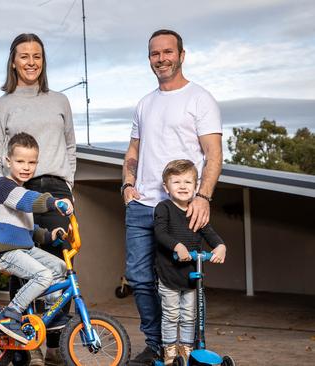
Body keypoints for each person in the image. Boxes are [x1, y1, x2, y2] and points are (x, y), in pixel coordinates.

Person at [121, 29, 223, 365]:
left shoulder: (200, 98)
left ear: (181, 54)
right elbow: (134, 148)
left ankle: (188, 348)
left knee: (182, 278)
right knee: (139, 277)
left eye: (167, 52)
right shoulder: (145, 103)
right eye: (154, 54)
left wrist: (203, 197)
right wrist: (126, 184)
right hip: (142, 206)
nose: (161, 59)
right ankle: (157, 345)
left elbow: (213, 152)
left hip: (181, 209)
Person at [0, 32, 76, 365]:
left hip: (56, 190)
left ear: (43, 61)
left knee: (59, 265)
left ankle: (55, 345)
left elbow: (70, 148)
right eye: (24, 56)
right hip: (17, 189)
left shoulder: (60, 101)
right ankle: (17, 340)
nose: (31, 62)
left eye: (37, 56)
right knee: (23, 260)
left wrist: (68, 186)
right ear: (13, 61)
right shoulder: (1, 106)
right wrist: (2, 188)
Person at [0, 132, 73, 345]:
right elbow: (26, 201)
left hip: (22, 248)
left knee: (59, 268)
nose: (26, 166)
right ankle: (10, 313)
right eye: (20, 161)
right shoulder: (3, 187)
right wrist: (53, 202)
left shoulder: (21, 191)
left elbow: (28, 229)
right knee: (43, 275)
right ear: (7, 161)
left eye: (31, 162)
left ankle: (52, 315)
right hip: (2, 251)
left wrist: (49, 235)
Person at [154, 159, 227, 365]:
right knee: (171, 315)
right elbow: (160, 233)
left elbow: (209, 233)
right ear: (166, 187)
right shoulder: (164, 208)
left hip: (192, 276)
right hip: (169, 274)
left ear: (196, 186)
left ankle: (186, 351)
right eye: (176, 182)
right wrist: (177, 246)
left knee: (189, 315)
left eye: (188, 182)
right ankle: (169, 352)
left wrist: (220, 246)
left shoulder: (196, 210)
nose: (183, 186)